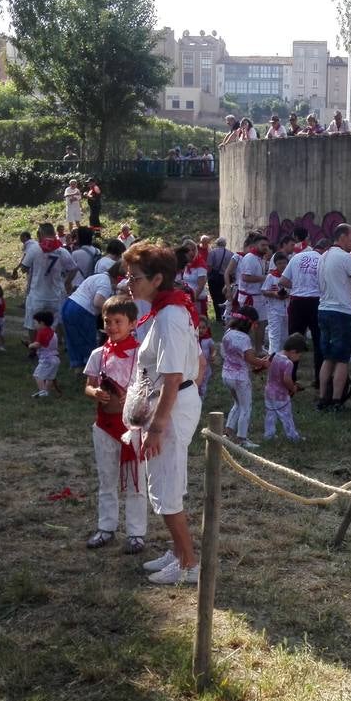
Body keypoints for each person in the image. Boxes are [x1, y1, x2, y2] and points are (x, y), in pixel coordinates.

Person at [123, 243, 205, 586]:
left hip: (168, 409)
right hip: (170, 405)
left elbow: (173, 376)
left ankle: (189, 563)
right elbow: (198, 363)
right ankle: (177, 551)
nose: (128, 282)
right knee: (168, 481)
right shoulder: (168, 309)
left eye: (134, 276)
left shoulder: (170, 316)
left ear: (157, 279)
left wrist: (157, 426)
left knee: (166, 486)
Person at [82, 296, 148, 554]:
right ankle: (106, 527)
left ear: (132, 323)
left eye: (118, 322)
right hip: (104, 425)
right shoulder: (99, 354)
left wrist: (131, 397)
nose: (111, 326)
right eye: (107, 321)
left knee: (135, 482)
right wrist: (95, 392)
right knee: (106, 479)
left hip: (132, 428)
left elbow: (150, 387)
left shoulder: (142, 353)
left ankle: (136, 533)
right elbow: (88, 385)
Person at [317, 223, 351, 410]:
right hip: (341, 312)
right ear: (343, 237)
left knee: (328, 357)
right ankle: (337, 400)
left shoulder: (322, 257)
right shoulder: (346, 258)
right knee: (342, 359)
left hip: (323, 310)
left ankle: (323, 398)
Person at [281, 228, 324, 385]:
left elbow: (283, 281)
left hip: (297, 301)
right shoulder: (322, 260)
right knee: (319, 340)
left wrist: (297, 285)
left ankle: (290, 375)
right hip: (316, 302)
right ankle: (320, 378)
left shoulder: (296, 258)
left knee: (294, 340)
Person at [62, 259, 121, 370]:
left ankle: (77, 367)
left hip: (69, 304)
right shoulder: (106, 283)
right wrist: (115, 312)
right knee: (88, 340)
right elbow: (98, 302)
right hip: (82, 311)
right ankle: (91, 369)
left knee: (73, 338)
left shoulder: (98, 277)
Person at [221, 308, 268, 447]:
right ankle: (242, 439)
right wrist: (264, 362)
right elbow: (250, 359)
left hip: (226, 374)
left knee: (237, 404)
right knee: (246, 407)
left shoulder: (228, 333)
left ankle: (228, 432)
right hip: (240, 378)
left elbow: (225, 353)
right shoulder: (244, 338)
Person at [19, 223, 76, 336]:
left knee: (33, 324)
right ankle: (50, 349)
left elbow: (24, 268)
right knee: (51, 326)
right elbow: (74, 268)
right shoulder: (61, 250)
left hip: (36, 294)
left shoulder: (34, 249)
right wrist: (67, 282)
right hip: (54, 296)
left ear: (40, 234)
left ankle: (34, 350)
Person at [265, 334, 306, 441]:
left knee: (270, 415)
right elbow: (286, 379)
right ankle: (292, 436)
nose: (298, 358)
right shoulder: (288, 363)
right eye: (299, 355)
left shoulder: (275, 355)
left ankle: (269, 435)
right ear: (293, 351)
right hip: (281, 395)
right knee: (286, 416)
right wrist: (292, 388)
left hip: (269, 392)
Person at [236, 233, 269, 352]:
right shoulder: (250, 258)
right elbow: (245, 277)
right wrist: (264, 278)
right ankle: (242, 348)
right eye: (262, 245)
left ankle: (258, 349)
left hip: (259, 297)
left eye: (266, 245)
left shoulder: (260, 259)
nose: (265, 247)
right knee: (246, 324)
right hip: (250, 297)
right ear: (255, 245)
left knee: (261, 323)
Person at [261, 251, 290, 354]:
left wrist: (287, 295)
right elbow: (264, 290)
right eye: (279, 263)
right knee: (274, 335)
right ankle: (273, 357)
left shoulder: (289, 276)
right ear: (275, 264)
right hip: (274, 310)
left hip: (287, 310)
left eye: (284, 263)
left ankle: (283, 357)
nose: (282, 265)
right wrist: (275, 294)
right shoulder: (271, 276)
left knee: (285, 335)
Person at [28, 310, 61, 398]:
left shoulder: (41, 332)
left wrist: (30, 345)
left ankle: (42, 392)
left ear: (41, 323)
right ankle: (46, 392)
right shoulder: (53, 332)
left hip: (47, 359)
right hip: (56, 359)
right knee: (50, 377)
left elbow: (37, 345)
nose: (34, 325)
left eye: (35, 323)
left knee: (38, 375)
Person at [206, 236, 233, 321]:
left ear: (217, 243)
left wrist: (208, 275)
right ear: (225, 244)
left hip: (214, 278)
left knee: (215, 297)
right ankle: (225, 314)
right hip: (226, 278)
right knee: (224, 297)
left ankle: (218, 316)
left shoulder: (212, 253)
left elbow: (209, 266)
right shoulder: (230, 253)